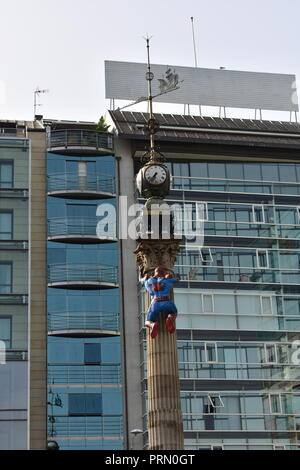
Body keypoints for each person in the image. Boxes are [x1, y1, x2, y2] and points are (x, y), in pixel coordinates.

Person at [140, 266, 180, 339]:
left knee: (147, 321)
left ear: (155, 273)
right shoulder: (167, 280)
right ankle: (170, 318)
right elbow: (178, 279)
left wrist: (141, 272)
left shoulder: (148, 281)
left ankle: (152, 325)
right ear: (163, 273)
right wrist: (172, 276)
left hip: (155, 303)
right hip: (167, 301)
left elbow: (141, 280)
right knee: (174, 312)